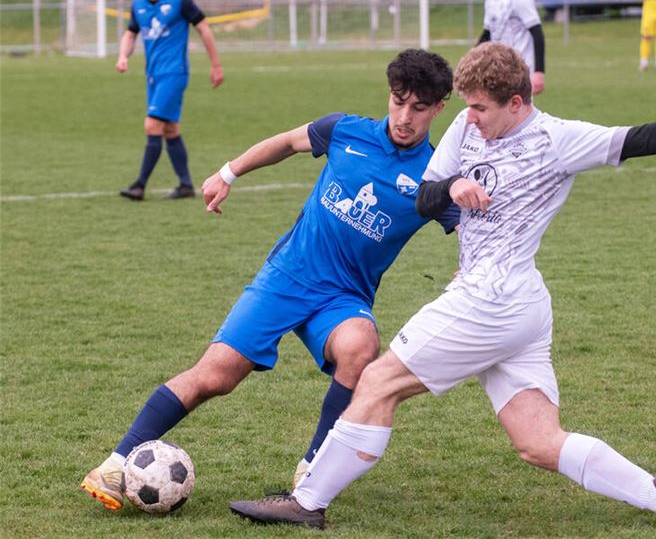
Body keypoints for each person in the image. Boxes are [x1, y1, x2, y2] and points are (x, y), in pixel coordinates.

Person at [228, 42, 656, 534]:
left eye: (482, 109)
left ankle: (308, 501)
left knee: (378, 382)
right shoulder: (465, 125)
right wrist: (453, 186)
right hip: (518, 305)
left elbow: (644, 138)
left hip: (491, 300)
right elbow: (425, 198)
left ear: (516, 103)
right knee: (538, 443)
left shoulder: (557, 140)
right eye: (468, 107)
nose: (471, 118)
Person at [80, 49, 459, 510]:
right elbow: (286, 142)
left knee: (360, 346)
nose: (404, 117)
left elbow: (469, 233)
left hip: (342, 298)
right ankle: (116, 462)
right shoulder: (345, 131)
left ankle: (313, 468)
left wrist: (471, 274)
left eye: (419, 108)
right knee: (216, 376)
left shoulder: (434, 178)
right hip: (287, 277)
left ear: (439, 109)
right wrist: (228, 172)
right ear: (389, 95)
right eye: (399, 101)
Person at [116, 0, 224, 201]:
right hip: (152, 75)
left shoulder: (179, 0)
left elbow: (204, 29)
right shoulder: (138, 3)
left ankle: (139, 185)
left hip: (174, 73)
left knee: (152, 124)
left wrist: (216, 65)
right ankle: (185, 185)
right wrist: (123, 56)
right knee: (170, 129)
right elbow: (131, 33)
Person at [478, 0, 546, 95]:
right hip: (497, 72)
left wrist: (539, 72)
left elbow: (537, 33)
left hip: (519, 74)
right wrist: (471, 61)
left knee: (517, 110)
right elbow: (487, 34)